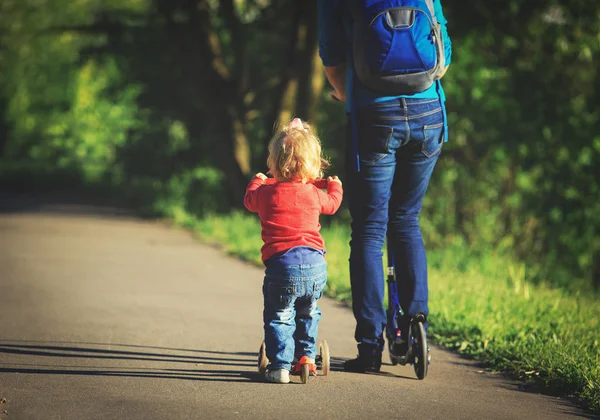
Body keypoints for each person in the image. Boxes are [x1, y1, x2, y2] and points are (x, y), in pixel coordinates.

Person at [318, 0, 452, 372]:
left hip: (375, 114)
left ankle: (369, 347)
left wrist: (343, 90)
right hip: (429, 112)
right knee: (407, 220)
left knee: (369, 230)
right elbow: (444, 48)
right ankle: (417, 324)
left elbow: (330, 53)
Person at [244, 118, 344, 383]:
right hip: (314, 267)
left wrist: (256, 181)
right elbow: (333, 204)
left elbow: (249, 201)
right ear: (312, 166)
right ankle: (307, 357)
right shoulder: (313, 192)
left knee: (279, 315)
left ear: (273, 162)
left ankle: (280, 366)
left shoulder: (266, 193)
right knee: (308, 310)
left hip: (282, 268)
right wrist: (335, 185)